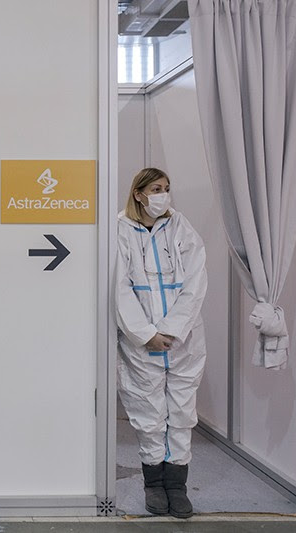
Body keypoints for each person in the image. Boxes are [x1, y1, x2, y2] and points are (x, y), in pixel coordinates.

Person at [116, 168, 207, 519]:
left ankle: (177, 486)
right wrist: (146, 333)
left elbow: (196, 280)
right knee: (148, 414)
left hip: (183, 340)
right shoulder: (120, 229)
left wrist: (172, 329)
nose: (163, 195)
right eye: (156, 188)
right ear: (138, 193)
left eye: (167, 188)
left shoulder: (180, 226)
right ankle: (154, 484)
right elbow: (118, 289)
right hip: (141, 342)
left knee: (182, 414)